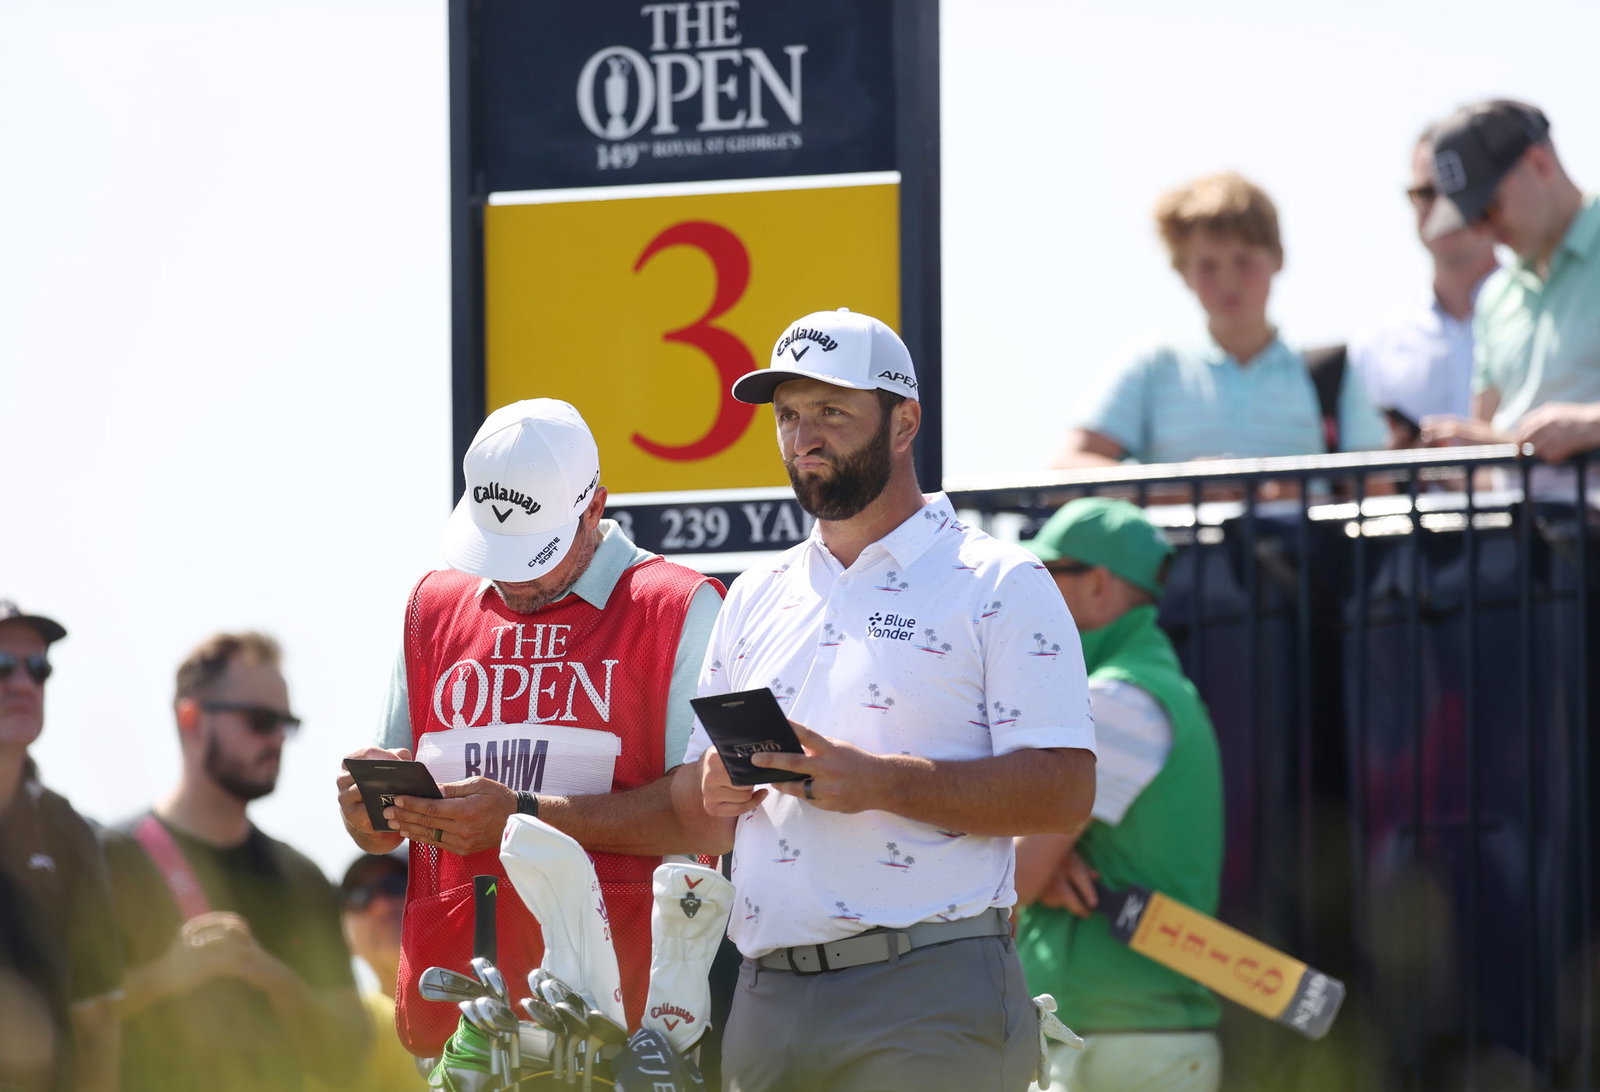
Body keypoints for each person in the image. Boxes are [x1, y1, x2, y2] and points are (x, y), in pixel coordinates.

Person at [673, 308, 1099, 1092]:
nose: (805, 437)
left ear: (906, 423)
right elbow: (702, 810)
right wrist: (713, 791)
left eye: (832, 411)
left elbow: (1067, 791)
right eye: (789, 415)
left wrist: (879, 782)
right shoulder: (752, 595)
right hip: (765, 993)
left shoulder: (1001, 582)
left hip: (928, 989)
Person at [337, 397, 723, 1058]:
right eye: (497, 550)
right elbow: (379, 834)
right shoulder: (431, 609)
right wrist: (367, 814)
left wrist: (520, 815)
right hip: (457, 1030)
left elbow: (709, 817)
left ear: (595, 508)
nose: (513, 579)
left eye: (533, 554)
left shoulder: (679, 608)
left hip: (626, 1032)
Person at [1011, 499, 1225, 1091]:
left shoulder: (1117, 703)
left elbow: (1011, 881)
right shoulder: (1144, 689)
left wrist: (1035, 868)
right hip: (1126, 1039)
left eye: (1047, 575)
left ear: (1099, 584)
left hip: (1114, 1046)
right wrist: (1044, 866)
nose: (1030, 597)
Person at [101, 631, 367, 1091]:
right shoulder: (111, 858)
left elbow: (348, 1055)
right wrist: (166, 976)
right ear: (191, 719)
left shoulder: (301, 878)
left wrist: (273, 977)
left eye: (286, 724)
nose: (277, 740)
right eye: (260, 720)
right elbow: (63, 1020)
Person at [1054, 171, 1388, 467]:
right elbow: (1068, 464)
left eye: (1243, 260)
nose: (1228, 281)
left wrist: (1286, 499)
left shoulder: (1333, 375)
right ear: (1182, 273)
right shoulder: (1152, 366)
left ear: (1278, 258)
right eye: (1207, 265)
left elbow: (1376, 493)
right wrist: (1185, 489)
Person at [1418, 99, 1600, 465]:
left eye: (1489, 207)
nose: (1483, 229)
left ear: (1538, 163)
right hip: (1521, 519)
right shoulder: (1494, 296)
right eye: (1470, 218)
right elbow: (1492, 464)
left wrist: (1591, 425)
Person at [0, 600, 122, 1092]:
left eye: (39, 668)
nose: (24, 684)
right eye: (3, 666)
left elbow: (97, 1017)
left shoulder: (68, 828)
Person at [1348, 124, 1501, 448]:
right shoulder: (1374, 346)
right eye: (1426, 193)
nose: (1443, 208)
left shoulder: (1549, 315)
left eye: (1457, 189)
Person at [313, 852, 425, 1091]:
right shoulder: (339, 1032)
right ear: (345, 940)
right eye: (359, 897)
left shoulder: (500, 997)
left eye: (397, 884)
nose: (382, 906)